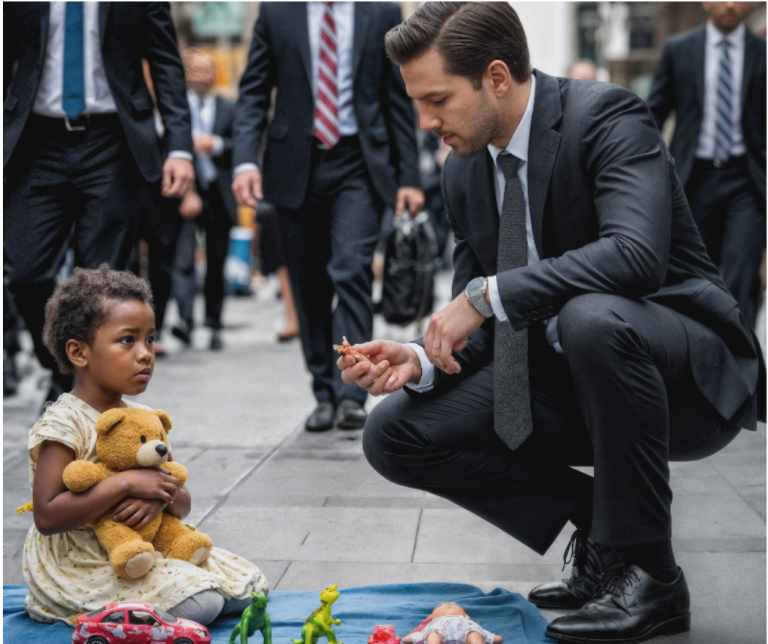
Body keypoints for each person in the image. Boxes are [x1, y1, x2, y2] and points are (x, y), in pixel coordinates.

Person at [337, 4, 765, 643]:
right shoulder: (462, 170)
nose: (426, 123)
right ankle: (602, 532)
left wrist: (485, 295)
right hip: (572, 379)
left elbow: (636, 256)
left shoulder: (607, 117)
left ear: (498, 77)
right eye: (417, 103)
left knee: (590, 316)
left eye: (438, 100)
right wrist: (422, 358)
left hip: (682, 376)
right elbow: (476, 320)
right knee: (393, 434)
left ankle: (652, 575)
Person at [22, 265, 267, 625]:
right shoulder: (65, 423)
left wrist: (160, 495)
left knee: (249, 588)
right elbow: (46, 516)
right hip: (82, 562)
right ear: (78, 352)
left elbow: (181, 504)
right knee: (203, 604)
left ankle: (165, 598)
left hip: (143, 548)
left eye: (150, 339)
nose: (145, 353)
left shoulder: (143, 416)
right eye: (128, 340)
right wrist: (123, 483)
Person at [232, 2, 424, 431]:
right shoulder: (277, 13)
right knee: (309, 284)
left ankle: (351, 392)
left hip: (359, 163)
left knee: (351, 269)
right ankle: (323, 389)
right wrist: (244, 160)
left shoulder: (382, 12)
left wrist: (409, 177)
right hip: (295, 164)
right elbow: (253, 92)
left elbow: (397, 98)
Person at [3, 2, 195, 404]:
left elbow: (165, 63)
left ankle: (79, 394)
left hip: (111, 142)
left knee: (100, 282)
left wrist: (179, 147)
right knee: (24, 273)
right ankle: (63, 369)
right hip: (34, 142)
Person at [647, 2, 766, 329]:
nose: (730, 4)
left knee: (743, 279)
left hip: (748, 182)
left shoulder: (763, 52)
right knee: (694, 279)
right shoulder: (679, 49)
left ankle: (744, 369)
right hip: (693, 180)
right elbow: (654, 114)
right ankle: (703, 359)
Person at [171, 48, 239, 351]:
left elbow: (243, 144)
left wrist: (217, 144)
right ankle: (185, 321)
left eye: (206, 70)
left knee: (216, 260)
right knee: (182, 259)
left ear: (215, 74)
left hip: (218, 193)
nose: (201, 76)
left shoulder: (229, 108)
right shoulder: (176, 109)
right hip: (183, 193)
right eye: (195, 70)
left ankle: (214, 324)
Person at [402, 602, 502, 644]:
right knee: (473, 632)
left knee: (432, 634)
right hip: (464, 627)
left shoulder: (432, 624)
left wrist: (425, 623)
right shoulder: (468, 622)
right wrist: (493, 637)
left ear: (430, 618)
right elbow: (481, 630)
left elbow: (406, 639)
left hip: (439, 628)